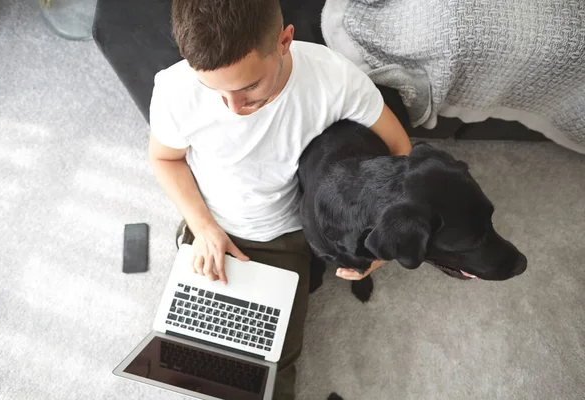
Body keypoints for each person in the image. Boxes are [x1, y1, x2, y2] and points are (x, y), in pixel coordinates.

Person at [148, 0, 412, 398]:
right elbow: (165, 158)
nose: (234, 108)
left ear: (285, 40)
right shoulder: (174, 87)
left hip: (286, 235)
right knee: (194, 359)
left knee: (267, 372)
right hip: (209, 225)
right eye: (214, 89)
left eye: (248, 86)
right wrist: (202, 228)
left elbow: (400, 150)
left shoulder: (333, 79)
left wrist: (381, 246)